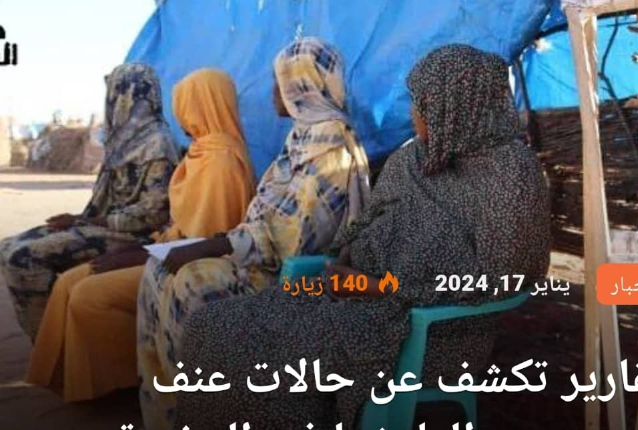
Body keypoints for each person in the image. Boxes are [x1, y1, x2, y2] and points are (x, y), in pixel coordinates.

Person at [175, 45, 552, 430]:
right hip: (352, 301)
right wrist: (344, 259)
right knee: (211, 325)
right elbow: (366, 220)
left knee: (260, 355)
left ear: (458, 106)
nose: (413, 113)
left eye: (423, 103)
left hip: (429, 330)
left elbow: (502, 279)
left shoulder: (511, 177)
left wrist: (381, 287)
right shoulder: (414, 159)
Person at [136, 37, 371, 430]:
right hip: (263, 260)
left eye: (279, 81)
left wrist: (216, 244)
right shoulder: (303, 138)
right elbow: (268, 217)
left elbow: (295, 241)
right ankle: (169, 411)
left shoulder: (330, 148)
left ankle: (205, 411)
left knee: (192, 282)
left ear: (300, 84)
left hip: (294, 278)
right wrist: (217, 243)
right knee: (158, 272)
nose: (272, 92)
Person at [25, 68, 256, 402]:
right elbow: (177, 229)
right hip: (166, 250)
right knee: (68, 282)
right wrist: (140, 249)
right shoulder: (202, 153)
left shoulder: (221, 163)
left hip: (186, 264)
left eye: (185, 103)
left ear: (202, 104)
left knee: (89, 295)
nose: (179, 113)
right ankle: (60, 376)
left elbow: (200, 243)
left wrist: (136, 256)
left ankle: (119, 382)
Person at [0, 63, 178, 339]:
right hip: (106, 225)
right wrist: (80, 220)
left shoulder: (157, 142)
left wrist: (86, 221)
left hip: (133, 234)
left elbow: (152, 215)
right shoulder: (123, 139)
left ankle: (52, 344)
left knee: (24, 258)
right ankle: (56, 336)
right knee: (7, 247)